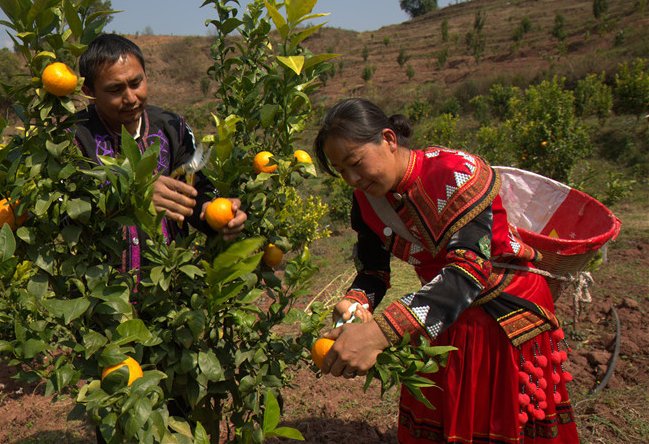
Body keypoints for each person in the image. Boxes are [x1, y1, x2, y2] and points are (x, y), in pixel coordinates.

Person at [312, 98, 579, 443]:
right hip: (439, 318)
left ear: (389, 140)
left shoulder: (456, 173)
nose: (352, 178)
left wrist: (380, 333)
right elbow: (373, 271)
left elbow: (468, 271)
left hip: (503, 320)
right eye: (341, 171)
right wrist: (357, 301)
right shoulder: (367, 201)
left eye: (355, 163)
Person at [74, 34, 247, 444]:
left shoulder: (170, 126)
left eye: (137, 82)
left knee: (179, 399)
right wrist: (130, 193)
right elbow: (65, 207)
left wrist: (213, 214)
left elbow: (196, 188)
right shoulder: (73, 139)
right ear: (88, 91)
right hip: (108, 298)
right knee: (121, 408)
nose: (130, 97)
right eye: (115, 90)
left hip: (170, 289)